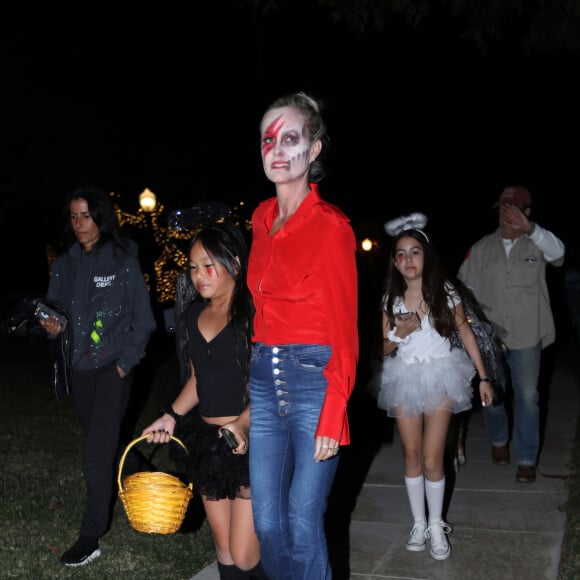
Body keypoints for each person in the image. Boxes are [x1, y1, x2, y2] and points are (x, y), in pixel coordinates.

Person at [247, 91, 359, 579]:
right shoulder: (260, 220)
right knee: (267, 523)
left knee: (302, 519)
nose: (275, 148)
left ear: (313, 150)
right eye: (267, 139)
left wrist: (335, 413)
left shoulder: (331, 228)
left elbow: (346, 330)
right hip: (264, 380)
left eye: (289, 137)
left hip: (316, 380)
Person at [39, 184, 157, 566]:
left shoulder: (122, 260)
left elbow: (144, 321)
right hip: (81, 370)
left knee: (95, 454)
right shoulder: (64, 265)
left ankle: (91, 535)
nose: (79, 224)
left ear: (100, 218)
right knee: (104, 442)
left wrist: (126, 362)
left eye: (86, 216)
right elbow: (56, 313)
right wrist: (51, 325)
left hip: (114, 368)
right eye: (73, 217)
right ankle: (137, 473)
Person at [141, 223, 267, 580]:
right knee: (225, 549)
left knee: (245, 555)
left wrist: (244, 421)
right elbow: (198, 379)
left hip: (251, 440)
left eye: (208, 265)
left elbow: (271, 383)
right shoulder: (192, 315)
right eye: (193, 267)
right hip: (209, 444)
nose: (199, 275)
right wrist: (170, 415)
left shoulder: (255, 315)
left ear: (236, 264)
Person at [372, 212, 494, 561]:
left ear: (426, 255)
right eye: (401, 254)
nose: (408, 260)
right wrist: (399, 334)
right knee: (410, 456)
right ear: (394, 262)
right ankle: (418, 522)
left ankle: (438, 524)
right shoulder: (388, 300)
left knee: (431, 458)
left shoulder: (445, 290)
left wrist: (483, 377)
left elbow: (466, 333)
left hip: (442, 377)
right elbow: (381, 348)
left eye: (415, 252)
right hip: (405, 378)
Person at [457, 185, 565, 483]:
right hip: (490, 339)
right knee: (492, 394)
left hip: (528, 335)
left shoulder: (538, 244)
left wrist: (529, 228)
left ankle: (527, 459)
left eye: (513, 209)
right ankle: (499, 441)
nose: (506, 215)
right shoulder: (480, 248)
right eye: (503, 209)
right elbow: (462, 290)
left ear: (527, 213)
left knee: (528, 397)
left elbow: (559, 254)